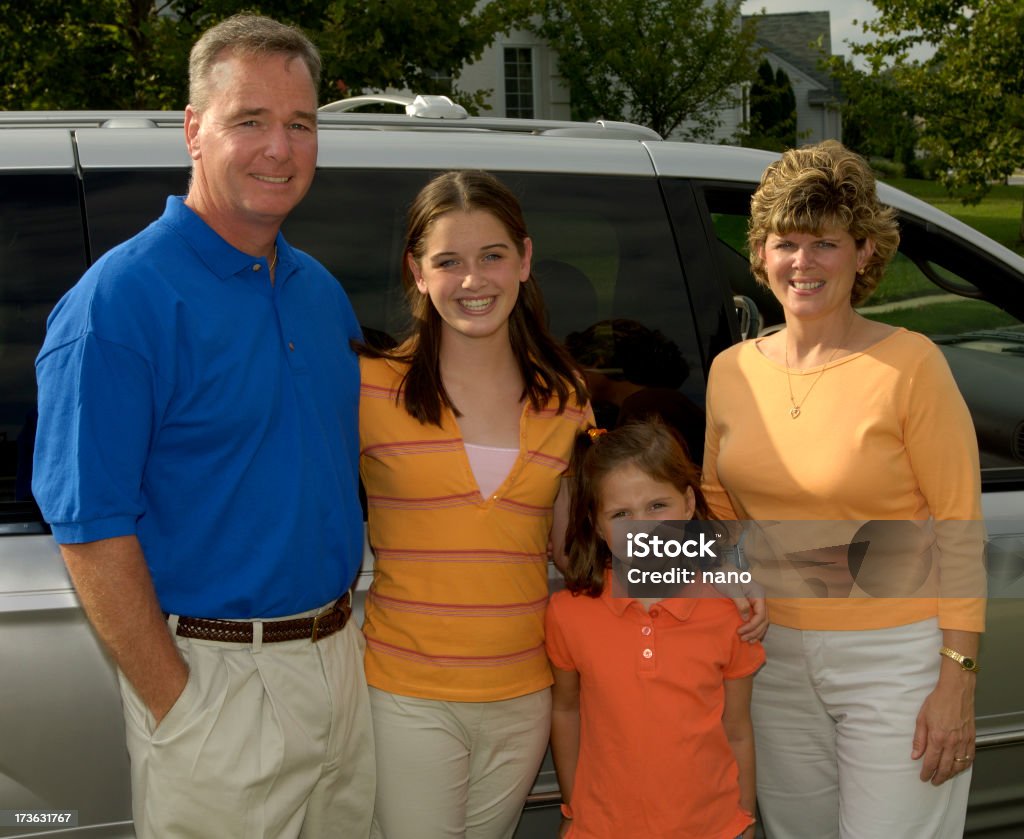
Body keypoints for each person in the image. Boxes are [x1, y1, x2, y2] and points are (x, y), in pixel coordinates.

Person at [32, 14, 374, 838]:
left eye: (300, 124)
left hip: (341, 660)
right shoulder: (119, 303)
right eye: (249, 120)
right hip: (217, 681)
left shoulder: (319, 292)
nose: (280, 149)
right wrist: (179, 702)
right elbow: (88, 528)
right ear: (192, 128)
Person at [701, 140, 986, 838]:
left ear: (864, 252)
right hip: (772, 661)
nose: (803, 262)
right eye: (786, 242)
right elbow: (713, 500)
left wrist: (957, 679)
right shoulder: (731, 371)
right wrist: (737, 575)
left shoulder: (910, 363)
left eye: (825, 242)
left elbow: (958, 524)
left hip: (897, 660)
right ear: (762, 252)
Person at [358, 169, 593, 839]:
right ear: (417, 271)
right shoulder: (370, 388)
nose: (473, 280)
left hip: (524, 695)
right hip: (407, 695)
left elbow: (589, 541)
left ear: (523, 259)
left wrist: (726, 575)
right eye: (448, 261)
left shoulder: (565, 397)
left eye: (492, 255)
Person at [546, 420, 764, 838]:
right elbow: (566, 711)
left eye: (657, 506)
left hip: (712, 828)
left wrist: (744, 820)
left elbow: (737, 729)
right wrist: (575, 811)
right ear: (596, 523)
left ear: (687, 504)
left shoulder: (727, 612)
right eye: (621, 514)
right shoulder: (567, 614)